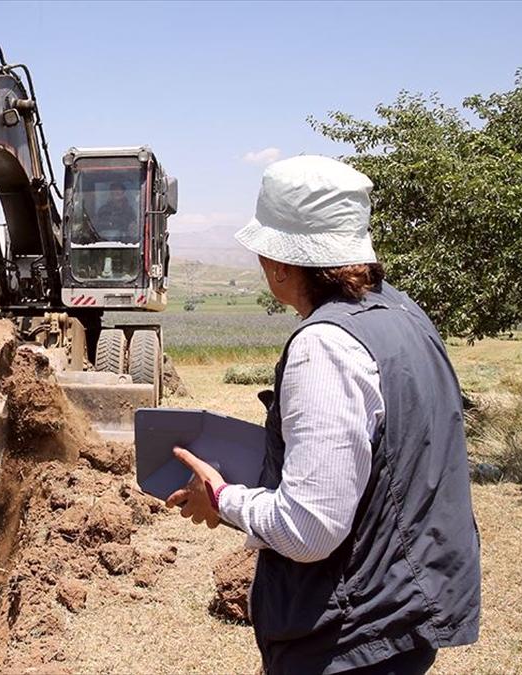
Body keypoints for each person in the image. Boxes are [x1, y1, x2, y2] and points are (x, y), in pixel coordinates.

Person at [166, 156, 481, 674]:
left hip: (349, 633)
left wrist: (222, 499)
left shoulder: (325, 346)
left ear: (283, 263)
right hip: (402, 610)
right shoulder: (403, 314)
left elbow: (310, 530)